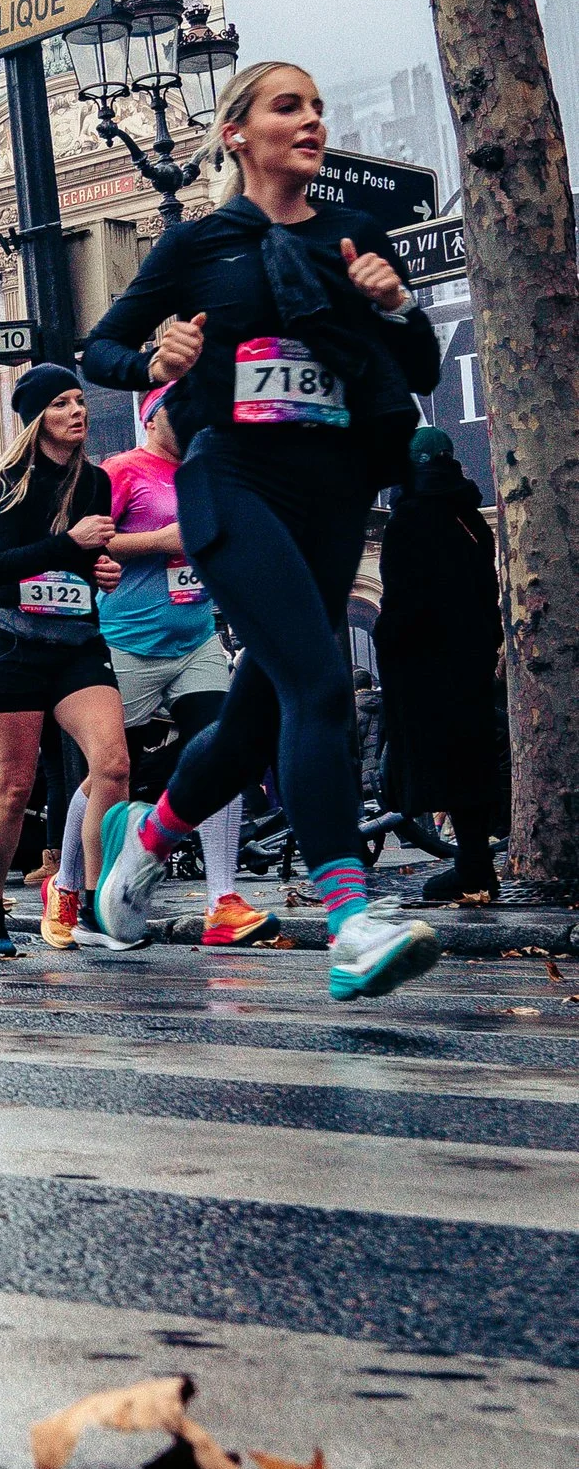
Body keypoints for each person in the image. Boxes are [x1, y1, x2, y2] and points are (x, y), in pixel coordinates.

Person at [88, 59, 446, 1002]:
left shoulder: (355, 238)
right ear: (237, 133)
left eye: (320, 107)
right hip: (231, 481)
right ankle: (351, 922)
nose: (313, 120)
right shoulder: (202, 245)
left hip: (331, 492)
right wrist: (154, 357)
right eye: (290, 106)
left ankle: (139, 855)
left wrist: (393, 304)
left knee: (256, 719)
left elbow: (419, 366)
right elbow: (102, 346)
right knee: (321, 682)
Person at [56, 389, 267, 948]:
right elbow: (90, 547)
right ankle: (68, 884)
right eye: (181, 409)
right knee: (108, 773)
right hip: (128, 644)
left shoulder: (206, 473)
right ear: (151, 418)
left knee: (224, 750)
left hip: (196, 640)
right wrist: (161, 541)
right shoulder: (121, 471)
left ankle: (222, 900)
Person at [0, 363, 131, 962]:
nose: (77, 411)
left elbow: (89, 562)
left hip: (77, 641)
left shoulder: (96, 483)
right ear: (39, 417)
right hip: (14, 641)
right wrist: (73, 545)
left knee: (112, 762)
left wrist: (103, 571)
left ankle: (86, 901)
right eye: (62, 403)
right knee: (14, 786)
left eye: (80, 401)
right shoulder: (11, 479)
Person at [374, 422, 503, 910]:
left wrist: (393, 643)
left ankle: (473, 866)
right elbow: (486, 594)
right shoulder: (469, 518)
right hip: (469, 660)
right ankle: (475, 863)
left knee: (440, 762)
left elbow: (402, 602)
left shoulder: (408, 518)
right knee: (472, 759)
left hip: (424, 665)